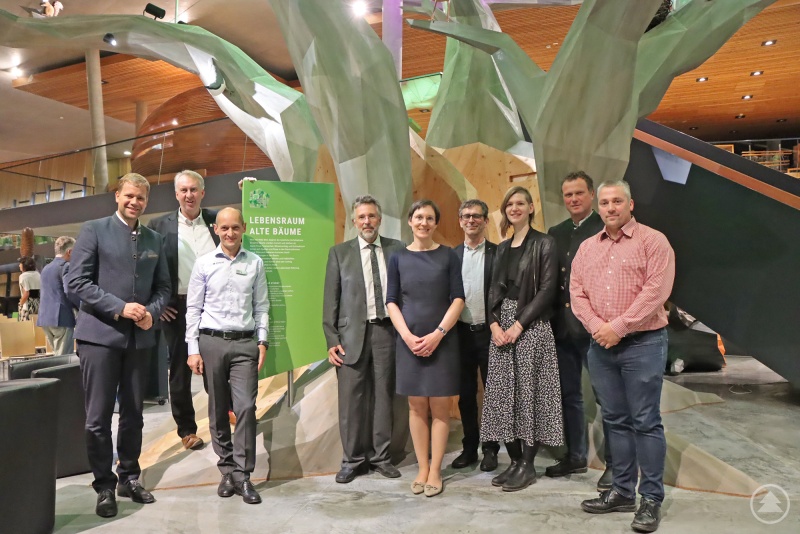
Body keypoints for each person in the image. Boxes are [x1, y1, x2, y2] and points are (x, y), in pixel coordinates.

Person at [571, 180, 675, 533]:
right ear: (598, 207)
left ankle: (650, 499)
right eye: (604, 202)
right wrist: (599, 327)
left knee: (646, 420)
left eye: (617, 201)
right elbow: (577, 293)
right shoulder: (587, 248)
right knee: (615, 420)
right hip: (601, 345)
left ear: (630, 204)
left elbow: (656, 291)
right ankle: (621, 491)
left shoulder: (653, 241)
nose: (611, 207)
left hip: (643, 343)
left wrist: (619, 326)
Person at [65, 173, 171, 518]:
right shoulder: (94, 230)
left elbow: (163, 288)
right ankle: (104, 486)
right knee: (97, 418)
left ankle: (129, 476)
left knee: (133, 415)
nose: (134, 202)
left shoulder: (154, 238)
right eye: (129, 196)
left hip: (139, 340)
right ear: (117, 196)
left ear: (146, 201)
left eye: (140, 198)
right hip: (100, 338)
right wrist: (119, 307)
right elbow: (77, 281)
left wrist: (151, 314)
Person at [480, 186, 563, 492]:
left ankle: (527, 463)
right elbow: (492, 290)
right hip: (501, 328)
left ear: (530, 208)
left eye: (520, 203)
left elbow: (547, 289)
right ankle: (514, 461)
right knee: (503, 396)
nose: (514, 207)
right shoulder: (501, 248)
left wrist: (518, 324)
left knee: (529, 395)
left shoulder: (545, 243)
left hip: (531, 325)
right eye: (509, 203)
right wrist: (493, 324)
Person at [186, 207, 270, 505]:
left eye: (235, 227)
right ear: (216, 230)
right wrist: (193, 349)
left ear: (243, 228)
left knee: (246, 406)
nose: (230, 233)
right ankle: (227, 470)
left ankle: (244, 474)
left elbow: (261, 306)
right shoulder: (204, 263)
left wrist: (262, 341)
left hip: (245, 344)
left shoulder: (256, 263)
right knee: (218, 408)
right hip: (212, 343)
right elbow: (193, 309)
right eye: (224, 228)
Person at [323, 195, 405, 484]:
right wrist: (331, 338)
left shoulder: (398, 249)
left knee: (385, 397)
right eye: (362, 217)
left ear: (379, 219)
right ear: (354, 222)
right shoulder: (339, 253)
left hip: (387, 333)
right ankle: (352, 460)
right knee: (350, 400)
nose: (367, 221)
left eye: (371, 216)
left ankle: (382, 457)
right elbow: (330, 300)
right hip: (350, 336)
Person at [386, 200, 465, 498]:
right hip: (409, 342)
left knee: (441, 408)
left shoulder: (448, 256)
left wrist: (438, 334)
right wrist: (406, 336)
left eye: (430, 218)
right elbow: (391, 300)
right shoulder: (397, 258)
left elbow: (458, 298)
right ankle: (421, 467)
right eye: (419, 217)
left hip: (442, 342)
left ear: (436, 223)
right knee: (416, 406)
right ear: (410, 221)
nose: (424, 222)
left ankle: (436, 471)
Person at [545, 171, 613, 490]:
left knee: (606, 397)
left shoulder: (606, 227)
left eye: (579, 193)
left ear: (591, 195)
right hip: (562, 327)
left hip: (596, 328)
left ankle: (615, 464)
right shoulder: (555, 232)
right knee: (569, 395)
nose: (573, 199)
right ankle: (575, 455)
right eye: (568, 194)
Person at [147, 170, 219, 451]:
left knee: (217, 364)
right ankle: (187, 430)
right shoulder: (158, 226)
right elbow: (147, 267)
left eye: (194, 190)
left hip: (215, 304)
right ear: (176, 194)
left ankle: (223, 415)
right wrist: (159, 303)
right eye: (183, 190)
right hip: (176, 306)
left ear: (203, 193)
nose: (189, 195)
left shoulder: (216, 221)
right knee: (179, 369)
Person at [450, 199, 500, 472]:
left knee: (492, 395)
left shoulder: (498, 253)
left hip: (490, 333)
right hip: (460, 335)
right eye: (466, 216)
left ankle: (491, 450)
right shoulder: (451, 255)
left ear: (485, 221)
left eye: (477, 216)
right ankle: (470, 447)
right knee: (466, 395)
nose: (471, 220)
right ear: (460, 221)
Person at [37, 236, 79, 355]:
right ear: (69, 252)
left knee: (57, 356)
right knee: (63, 359)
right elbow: (70, 291)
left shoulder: (46, 268)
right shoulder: (66, 266)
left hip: (45, 318)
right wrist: (82, 307)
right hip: (61, 317)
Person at [17, 256, 41, 321]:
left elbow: (26, 293)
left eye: (20, 264)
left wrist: (20, 304)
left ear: (24, 265)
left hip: (27, 307)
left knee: (26, 328)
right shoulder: (38, 275)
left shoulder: (23, 276)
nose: (19, 265)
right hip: (39, 306)